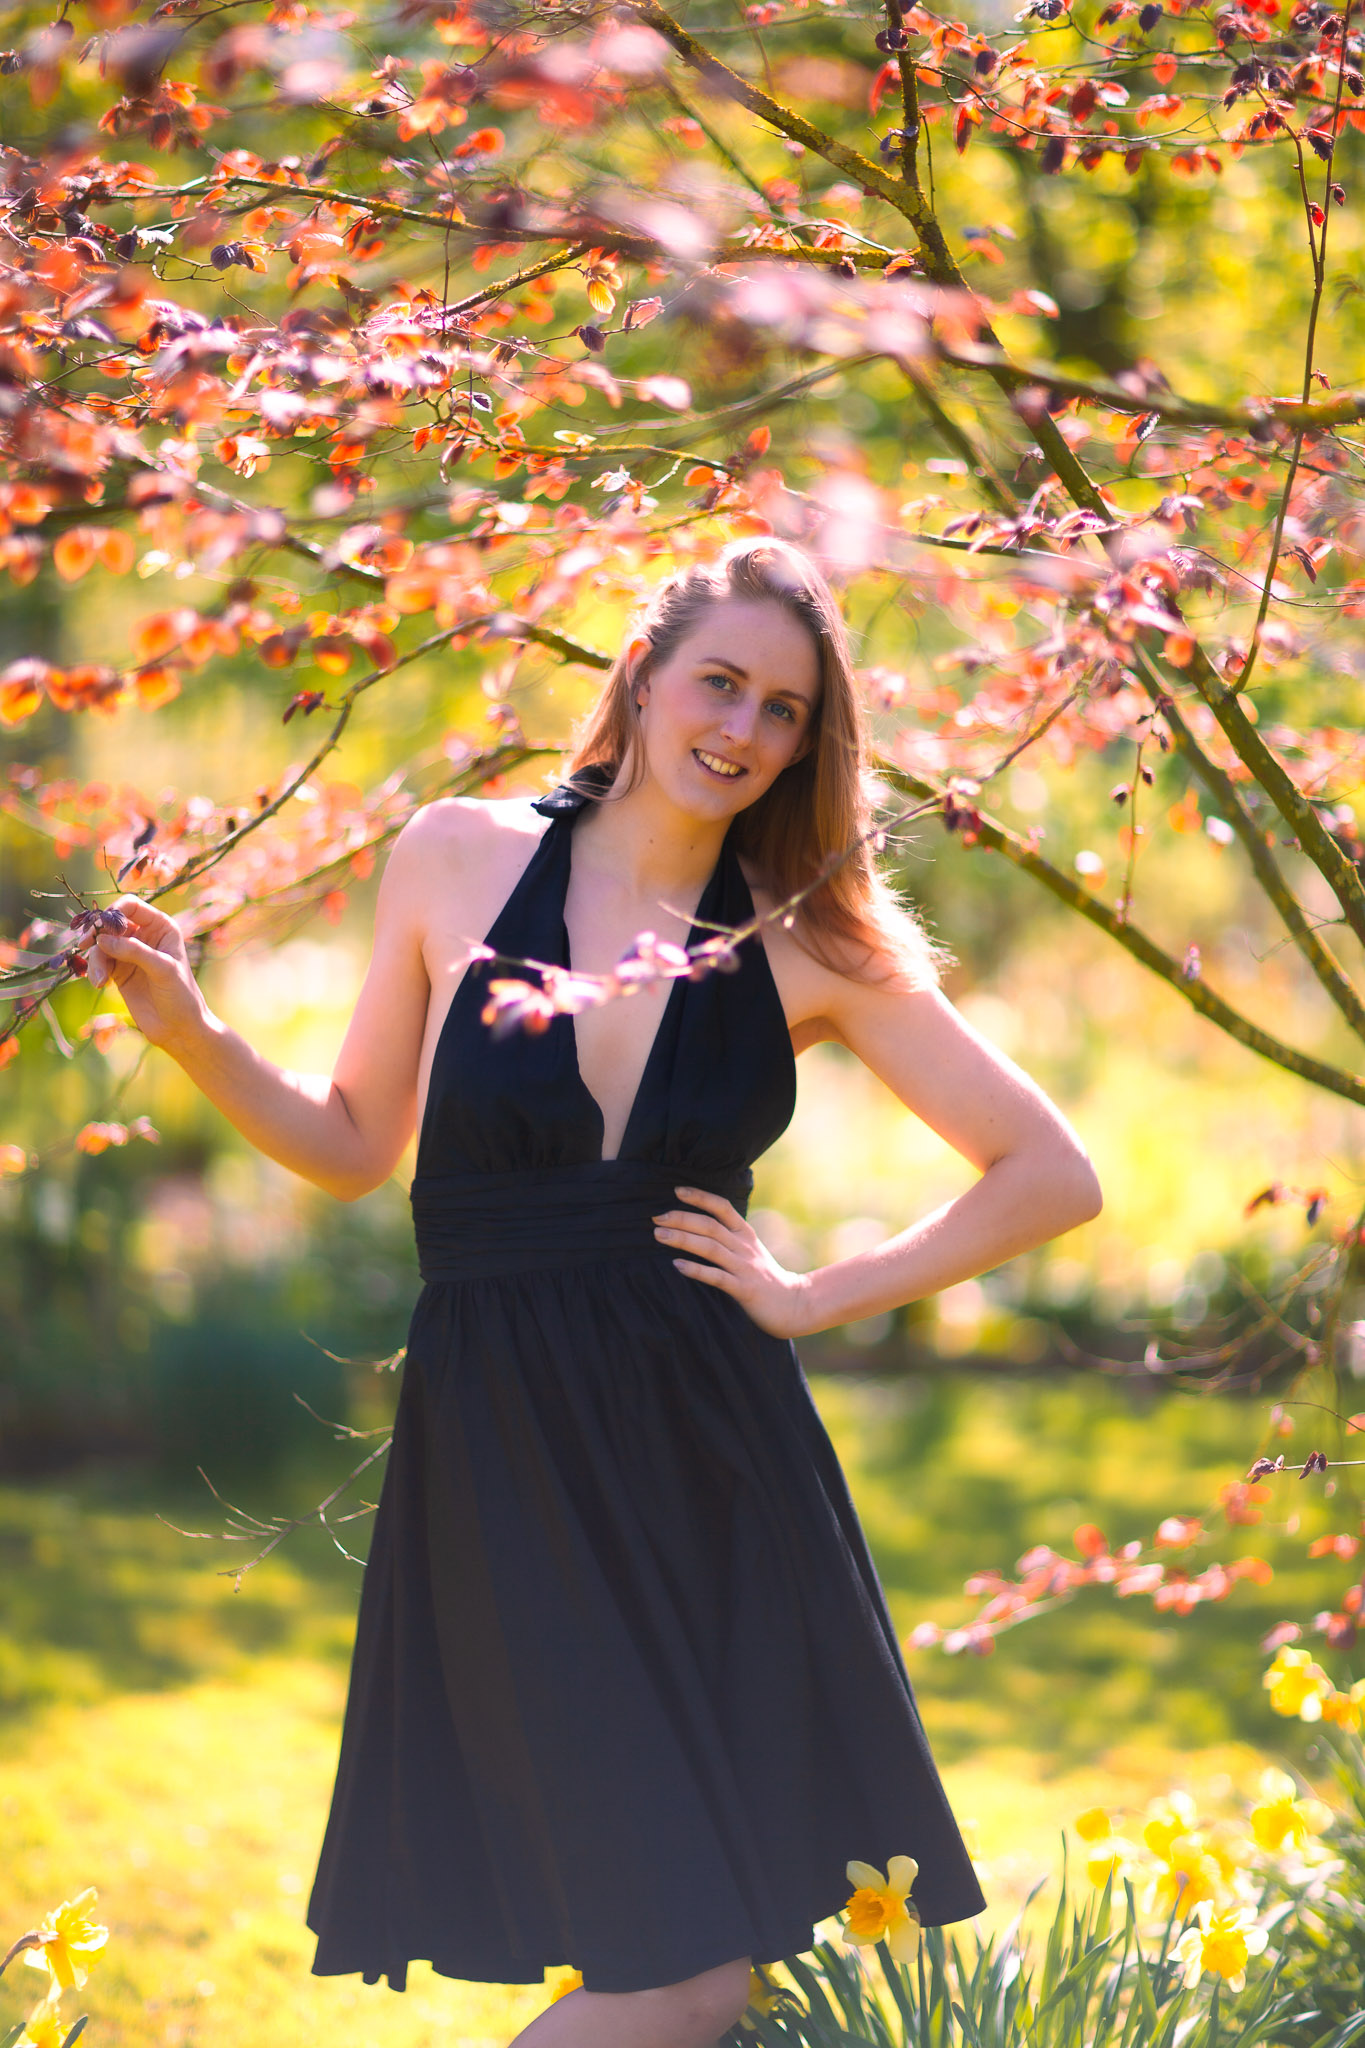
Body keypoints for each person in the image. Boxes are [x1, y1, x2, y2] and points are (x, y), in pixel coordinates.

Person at [93, 536, 1102, 2048]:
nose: (742, 729)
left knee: (704, 1962)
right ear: (640, 674)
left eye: (782, 710)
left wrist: (817, 1293)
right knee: (680, 1974)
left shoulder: (806, 935)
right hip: (503, 1440)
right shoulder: (454, 855)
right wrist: (192, 1037)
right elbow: (355, 1143)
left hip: (715, 1451)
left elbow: (1049, 1171)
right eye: (720, 683)